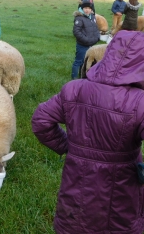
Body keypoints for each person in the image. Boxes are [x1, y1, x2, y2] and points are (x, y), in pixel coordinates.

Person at [32, 30, 144, 233]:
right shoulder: (139, 103)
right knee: (118, 224)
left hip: (77, 180)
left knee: (75, 223)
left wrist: (68, 146)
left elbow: (41, 121)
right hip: (122, 187)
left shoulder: (75, 88)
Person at [71, 0, 99, 79]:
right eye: (85, 8)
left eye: (89, 8)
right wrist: (86, 40)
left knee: (87, 61)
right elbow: (76, 31)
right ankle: (74, 78)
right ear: (82, 8)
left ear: (91, 9)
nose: (87, 10)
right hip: (82, 45)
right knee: (79, 61)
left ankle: (83, 76)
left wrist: (97, 37)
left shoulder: (92, 17)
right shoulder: (79, 18)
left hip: (91, 44)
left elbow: (96, 29)